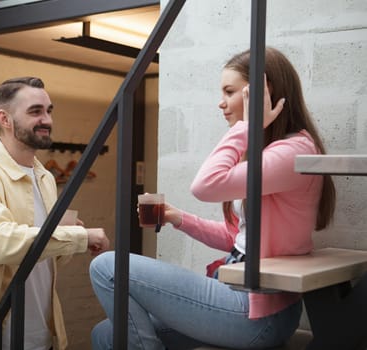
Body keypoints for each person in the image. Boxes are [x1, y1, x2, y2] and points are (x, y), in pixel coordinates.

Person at [89, 47, 336, 349]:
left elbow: (205, 185)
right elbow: (238, 239)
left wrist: (247, 125)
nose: (221, 103)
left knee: (107, 267)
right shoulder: (270, 154)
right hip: (237, 293)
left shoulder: (292, 152)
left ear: (260, 93)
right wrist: (179, 218)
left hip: (256, 312)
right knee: (106, 334)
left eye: (229, 92)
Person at [0, 76, 110, 350]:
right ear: (5, 119)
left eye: (48, 110)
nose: (47, 119)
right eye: (35, 111)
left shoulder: (44, 177)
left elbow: (44, 259)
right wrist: (78, 237)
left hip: (44, 336)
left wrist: (68, 238)